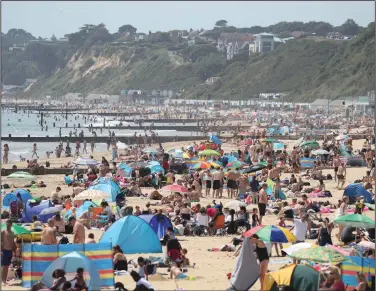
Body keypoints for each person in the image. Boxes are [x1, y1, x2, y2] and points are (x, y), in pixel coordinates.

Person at [1, 220, 16, 285]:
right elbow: (1, 242)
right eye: (7, 223)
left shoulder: (12, 233)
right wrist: (1, 251)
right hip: (4, 250)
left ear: (11, 225)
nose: (8, 225)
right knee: (5, 266)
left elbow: (13, 242)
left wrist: (14, 251)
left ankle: (4, 280)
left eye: (9, 224)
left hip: (10, 251)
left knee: (7, 266)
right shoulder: (3, 232)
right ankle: (3, 280)